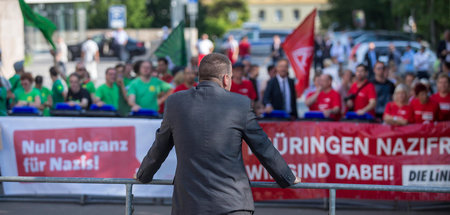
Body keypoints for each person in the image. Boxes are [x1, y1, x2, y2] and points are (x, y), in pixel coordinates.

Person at [136, 53, 300, 215]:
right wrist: (288, 177)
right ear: (226, 79)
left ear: (199, 77)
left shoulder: (175, 102)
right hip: (232, 203)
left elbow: (160, 146)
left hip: (189, 203)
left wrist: (143, 174)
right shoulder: (240, 104)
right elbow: (263, 147)